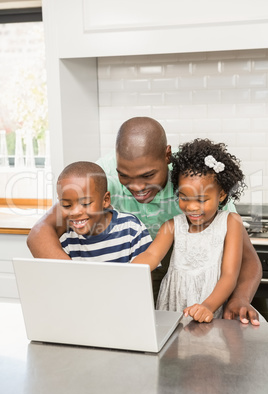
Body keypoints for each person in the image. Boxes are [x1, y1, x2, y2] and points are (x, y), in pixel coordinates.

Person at [27, 117, 262, 325]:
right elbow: (40, 233)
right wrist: (76, 279)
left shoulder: (195, 177)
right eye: (125, 176)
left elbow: (249, 261)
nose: (137, 187)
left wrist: (240, 298)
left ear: (167, 156)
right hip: (136, 275)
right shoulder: (104, 175)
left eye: (148, 176)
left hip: (199, 282)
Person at [132, 138, 247, 323]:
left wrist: (208, 306)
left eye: (201, 200)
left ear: (222, 195)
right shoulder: (171, 226)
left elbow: (229, 275)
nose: (192, 207)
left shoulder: (231, 222)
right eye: (184, 197)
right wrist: (129, 270)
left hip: (212, 307)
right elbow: (151, 255)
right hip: (174, 310)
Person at [56, 161, 155, 262]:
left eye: (85, 203)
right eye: (66, 205)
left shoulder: (132, 229)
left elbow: (145, 274)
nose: (75, 212)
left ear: (105, 200)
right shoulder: (66, 239)